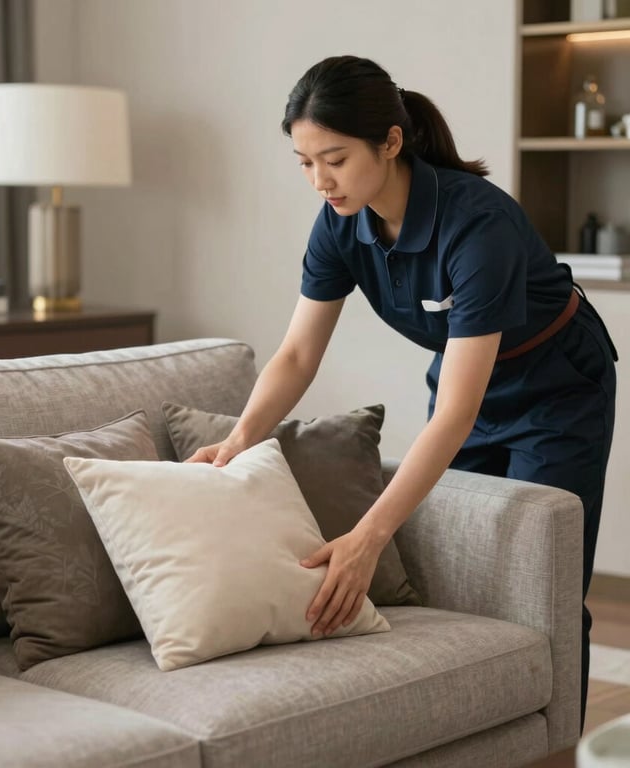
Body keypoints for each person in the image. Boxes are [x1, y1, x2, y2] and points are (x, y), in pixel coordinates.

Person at [187, 55, 617, 730]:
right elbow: (298, 353)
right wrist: (241, 439)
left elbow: (456, 412)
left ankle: (557, 748)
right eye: (303, 161)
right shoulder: (340, 220)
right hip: (465, 379)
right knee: (464, 572)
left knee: (549, 582)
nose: (318, 180)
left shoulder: (478, 225)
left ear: (390, 142)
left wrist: (367, 536)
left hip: (555, 387)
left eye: (333, 157)